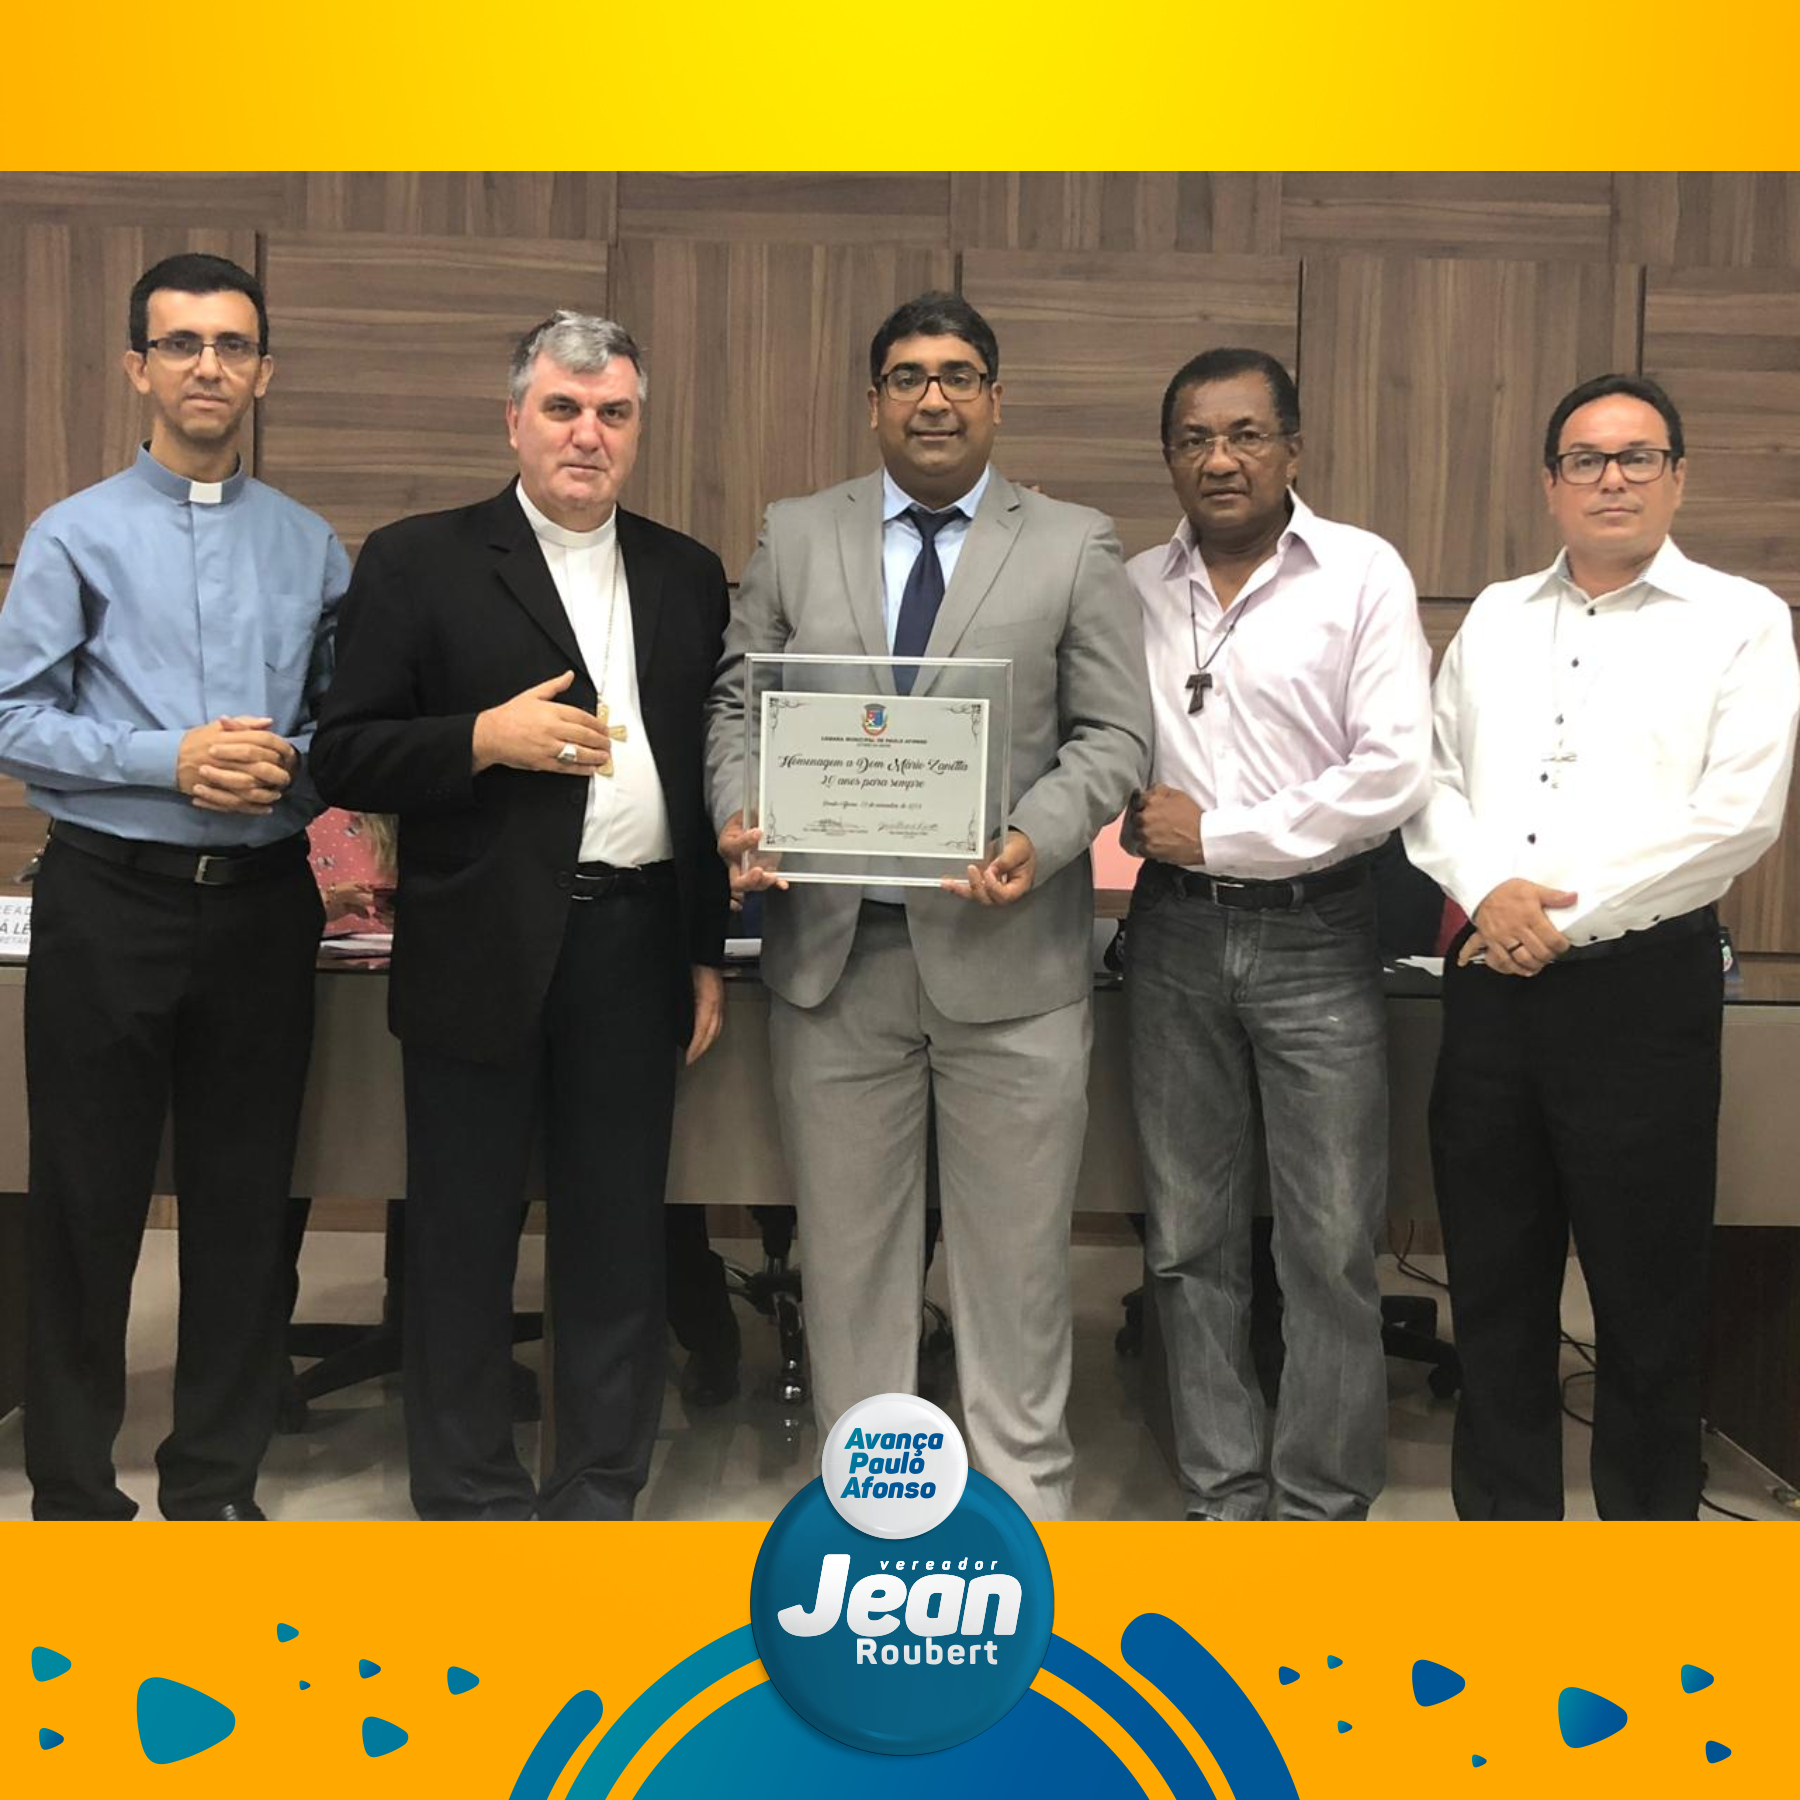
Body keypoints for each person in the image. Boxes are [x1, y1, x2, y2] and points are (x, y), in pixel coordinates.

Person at [707, 291, 1151, 1519]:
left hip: (1012, 959)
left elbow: (1115, 735)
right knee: (852, 1267)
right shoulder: (798, 531)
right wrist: (740, 809)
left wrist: (1035, 838)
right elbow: (738, 702)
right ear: (873, 403)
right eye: (907, 377)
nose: (934, 398)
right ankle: (869, 1513)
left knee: (1016, 1269)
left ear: (996, 400)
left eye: (959, 376)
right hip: (835, 963)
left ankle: (1021, 1512)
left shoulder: (1073, 543)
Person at [311, 311, 730, 1520]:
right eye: (563, 408)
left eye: (613, 413)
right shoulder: (419, 560)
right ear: (514, 421)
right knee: (462, 1235)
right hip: (480, 943)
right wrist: (482, 739)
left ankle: (598, 1489)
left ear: (638, 429)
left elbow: (706, 774)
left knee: (618, 1236)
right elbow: (345, 754)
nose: (587, 435)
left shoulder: (686, 572)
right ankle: (471, 1497)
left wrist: (702, 948)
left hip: (635, 941)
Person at [1405, 372, 1799, 1520]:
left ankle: (1643, 1576)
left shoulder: (1741, 620)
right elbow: (1427, 778)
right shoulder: (1493, 618)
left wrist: (1553, 919)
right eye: (1586, 459)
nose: (1611, 478)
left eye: (1637, 457)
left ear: (1678, 476)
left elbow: (1735, 819)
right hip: (1493, 997)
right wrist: (1489, 895)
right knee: (1495, 1298)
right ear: (1551, 483)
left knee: (1648, 1308)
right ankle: (1510, 1556)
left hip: (1643, 997)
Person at [0, 253, 347, 1521]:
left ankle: (215, 1484)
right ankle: (74, 1490)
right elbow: (12, 717)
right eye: (183, 343)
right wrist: (172, 759)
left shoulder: (312, 545)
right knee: (85, 1206)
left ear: (265, 372)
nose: (210, 366)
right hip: (110, 899)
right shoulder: (73, 533)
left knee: (248, 1209)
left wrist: (292, 764)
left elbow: (348, 727)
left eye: (233, 345)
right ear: (137, 368)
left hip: (262, 906)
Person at [1122, 346, 1432, 1521]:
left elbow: (1391, 771)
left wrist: (1222, 835)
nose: (1221, 459)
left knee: (1330, 1246)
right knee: (1185, 1241)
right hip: (1171, 937)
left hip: (1318, 935)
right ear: (1169, 459)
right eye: (1195, 439)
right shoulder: (1132, 589)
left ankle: (1320, 1506)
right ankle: (1222, 1489)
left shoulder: (1362, 573)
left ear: (1293, 447)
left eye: (1246, 434)